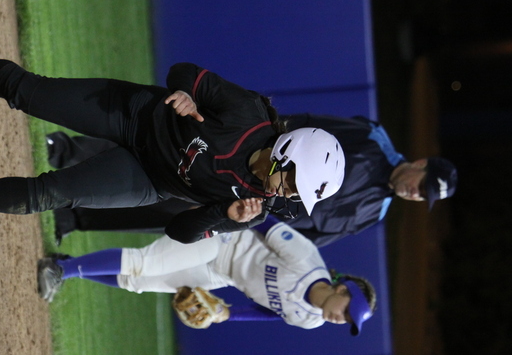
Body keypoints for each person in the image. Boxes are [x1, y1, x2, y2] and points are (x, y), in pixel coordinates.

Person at [0, 50, 346, 243]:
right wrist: (187, 94)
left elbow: (177, 231)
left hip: (149, 178)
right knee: (28, 93)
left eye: (295, 195)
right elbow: (184, 70)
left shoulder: (249, 208)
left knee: (51, 194)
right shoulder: (248, 113)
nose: (287, 195)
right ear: (289, 152)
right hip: (134, 113)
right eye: (294, 183)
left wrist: (222, 216)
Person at [45, 112, 458, 246]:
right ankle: (66, 148)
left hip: (254, 212)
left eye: (422, 197)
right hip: (253, 167)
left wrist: (255, 229)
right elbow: (309, 127)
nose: (414, 192)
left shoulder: (376, 212)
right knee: (160, 164)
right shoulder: (372, 138)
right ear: (420, 163)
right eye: (422, 184)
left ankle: (76, 219)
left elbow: (315, 236)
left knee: (161, 213)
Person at [36, 216, 377, 335]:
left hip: (220, 274)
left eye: (347, 322)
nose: (340, 319)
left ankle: (70, 265)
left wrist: (226, 314)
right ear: (343, 289)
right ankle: (58, 270)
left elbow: (271, 313)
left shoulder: (310, 320)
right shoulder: (306, 259)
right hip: (224, 239)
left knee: (134, 282)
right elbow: (262, 222)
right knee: (144, 263)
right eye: (348, 311)